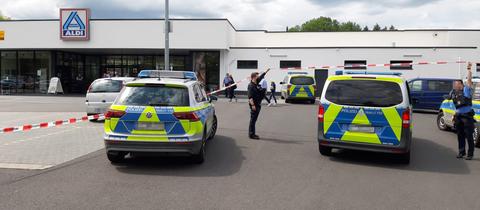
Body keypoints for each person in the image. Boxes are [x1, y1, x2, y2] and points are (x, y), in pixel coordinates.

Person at [450, 62, 475, 160]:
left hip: (467, 117)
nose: (454, 85)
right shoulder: (455, 93)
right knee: (460, 135)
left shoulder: (466, 90)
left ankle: (470, 154)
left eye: (456, 84)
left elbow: (469, 80)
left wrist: (469, 69)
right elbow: (457, 107)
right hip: (459, 116)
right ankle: (461, 152)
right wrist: (454, 115)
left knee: (469, 136)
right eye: (454, 84)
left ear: (460, 84)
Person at [248, 68, 271, 139]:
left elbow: (261, 77)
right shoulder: (251, 86)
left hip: (258, 104)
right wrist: (253, 105)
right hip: (254, 105)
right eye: (257, 77)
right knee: (253, 120)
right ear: (253, 77)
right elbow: (250, 97)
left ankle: (252, 133)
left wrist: (266, 71)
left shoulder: (256, 83)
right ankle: (251, 134)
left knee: (254, 120)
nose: (258, 78)